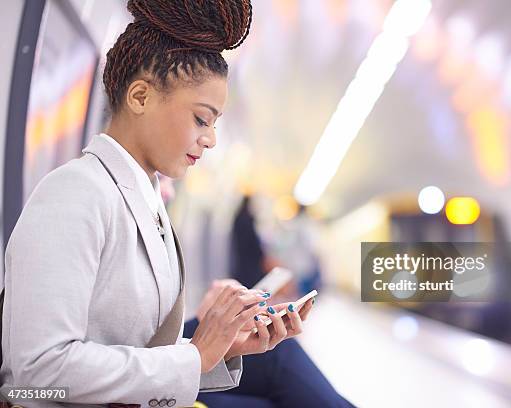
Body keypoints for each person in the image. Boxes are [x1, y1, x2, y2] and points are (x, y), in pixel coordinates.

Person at [0, 1, 313, 406]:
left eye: (215, 124)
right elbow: (39, 371)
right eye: (202, 119)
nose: (211, 139)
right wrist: (194, 355)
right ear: (140, 96)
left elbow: (141, 348)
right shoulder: (74, 194)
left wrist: (223, 347)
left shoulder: (144, 200)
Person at [183, 279, 355, 408]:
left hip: (173, 353)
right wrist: (199, 353)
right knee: (280, 354)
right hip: (167, 379)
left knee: (279, 349)